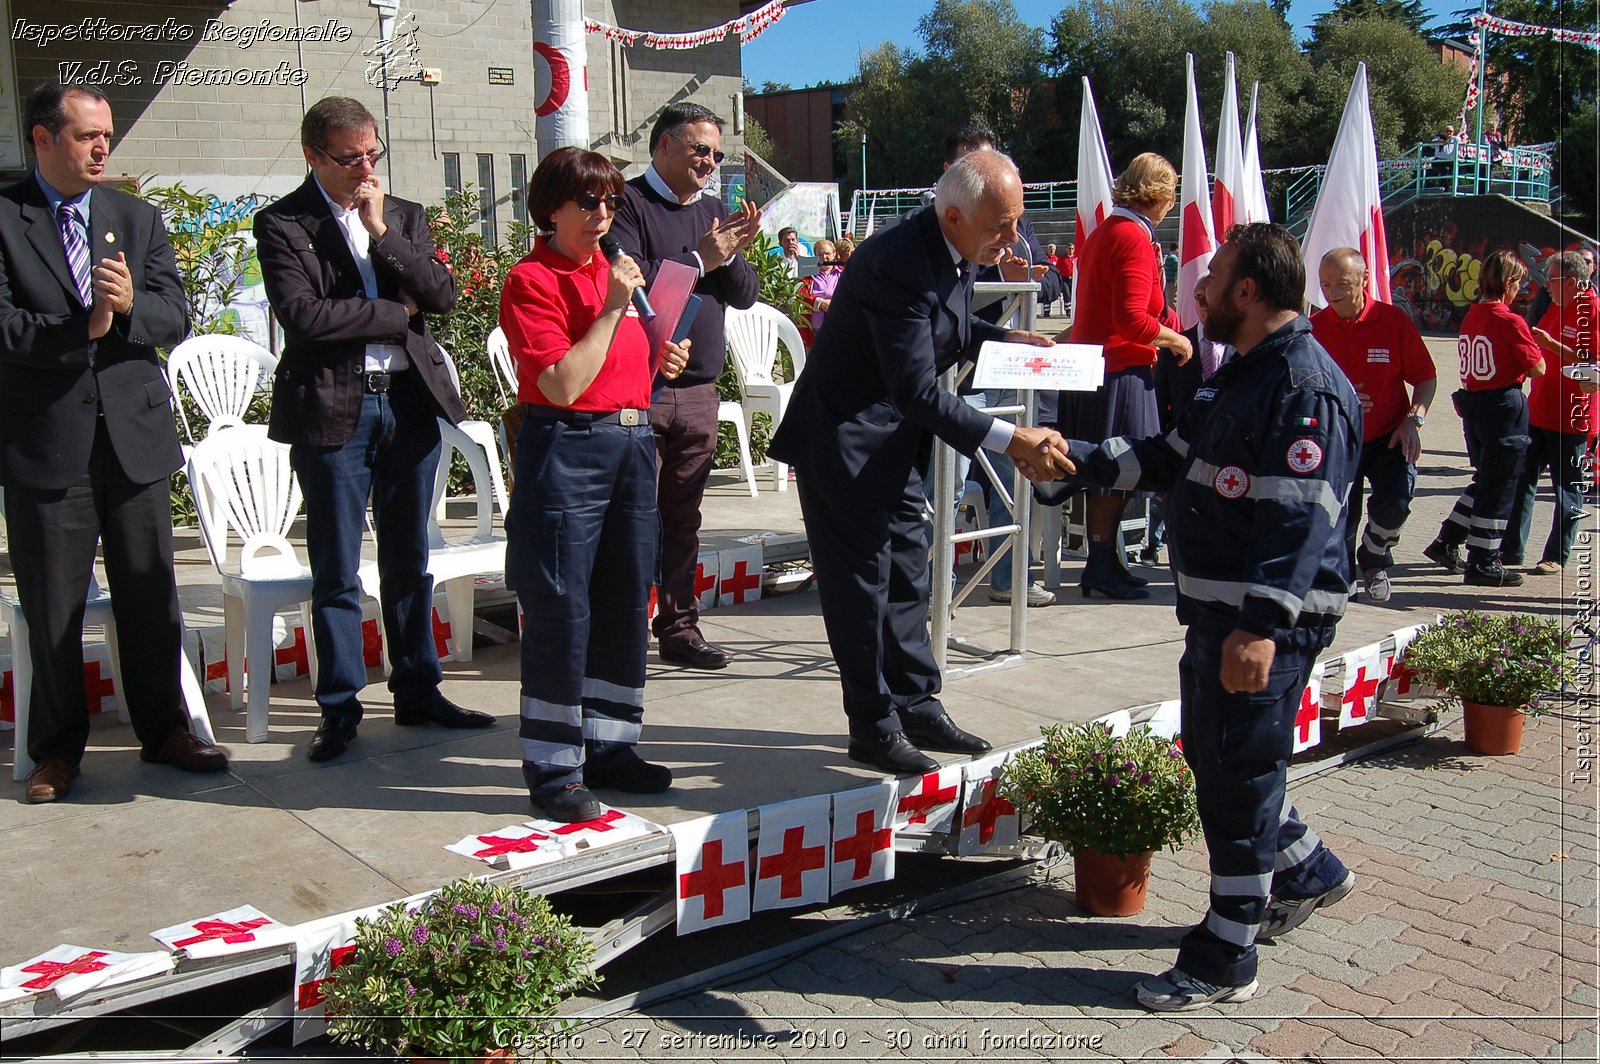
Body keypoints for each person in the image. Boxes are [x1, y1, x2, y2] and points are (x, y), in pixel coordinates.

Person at [1054, 223, 1360, 1012]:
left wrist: (1260, 627)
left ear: (1249, 292)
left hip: (1262, 627)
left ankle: (1228, 953)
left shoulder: (1304, 388)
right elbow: (1169, 455)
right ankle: (1306, 868)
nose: (1199, 289)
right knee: (1222, 755)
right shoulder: (1239, 376)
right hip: (1220, 618)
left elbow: (1299, 520)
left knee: (1238, 774)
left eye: (1214, 275)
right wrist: (1076, 461)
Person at [768, 150, 1072, 776]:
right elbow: (916, 387)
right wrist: (1011, 439)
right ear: (954, 214)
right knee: (862, 589)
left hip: (895, 444)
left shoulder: (956, 245)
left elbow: (949, 331)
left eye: (1015, 222)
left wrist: (1002, 337)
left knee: (910, 571)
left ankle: (915, 701)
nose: (1012, 239)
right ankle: (872, 725)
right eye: (1001, 225)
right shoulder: (896, 262)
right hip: (846, 446)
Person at [0, 81, 227, 802]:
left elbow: (174, 316)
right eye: (85, 135)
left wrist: (128, 311)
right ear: (43, 138)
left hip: (132, 441)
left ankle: (165, 730)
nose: (102, 147)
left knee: (149, 593)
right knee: (55, 604)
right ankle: (58, 751)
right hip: (47, 445)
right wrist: (83, 330)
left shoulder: (134, 216)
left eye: (106, 135)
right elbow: (4, 329)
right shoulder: (5, 220)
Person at [255, 96, 493, 763]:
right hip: (334, 406)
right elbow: (304, 319)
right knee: (335, 566)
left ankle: (418, 688)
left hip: (408, 405)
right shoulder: (284, 223)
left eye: (373, 153)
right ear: (313, 156)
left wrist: (382, 233)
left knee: (408, 558)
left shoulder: (403, 216)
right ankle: (338, 706)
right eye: (349, 156)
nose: (365, 168)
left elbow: (442, 298)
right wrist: (394, 313)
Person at [498, 148, 692, 822]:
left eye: (610, 202)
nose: (602, 215)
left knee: (621, 602)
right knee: (561, 609)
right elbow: (561, 382)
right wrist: (612, 312)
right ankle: (555, 769)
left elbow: (621, 371)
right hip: (570, 447)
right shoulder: (533, 279)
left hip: (632, 444)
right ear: (550, 207)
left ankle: (612, 746)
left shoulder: (618, 275)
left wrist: (659, 356)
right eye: (587, 202)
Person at [611, 102, 761, 670]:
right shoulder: (628, 203)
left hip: (699, 390)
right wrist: (703, 256)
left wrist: (733, 251)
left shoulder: (715, 210)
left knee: (683, 517)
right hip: (640, 386)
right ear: (664, 146)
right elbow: (633, 280)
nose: (710, 162)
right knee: (633, 514)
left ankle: (678, 627)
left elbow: (743, 294)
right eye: (701, 149)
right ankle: (623, 627)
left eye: (717, 154)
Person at [1053, 153, 1192, 599]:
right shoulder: (1132, 236)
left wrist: (1169, 317)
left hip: (1101, 368)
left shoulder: (1108, 231)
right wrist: (1176, 339)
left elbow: (1140, 305)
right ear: (1162, 194)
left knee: (1110, 470)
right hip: (1118, 369)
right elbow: (1132, 319)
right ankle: (1099, 563)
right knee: (1115, 468)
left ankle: (1104, 559)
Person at [944, 124, 1062, 609]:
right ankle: (937, 588)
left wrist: (1026, 280)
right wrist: (995, 271)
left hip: (1005, 372)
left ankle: (1007, 577)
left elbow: (1052, 284)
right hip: (957, 372)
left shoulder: (1017, 223)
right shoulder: (937, 227)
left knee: (1011, 477)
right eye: (973, 168)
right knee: (947, 481)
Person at [1310, 248, 1437, 603]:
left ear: (1365, 280)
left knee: (1395, 502)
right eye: (1325, 284)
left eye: (1342, 282)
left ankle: (1375, 555)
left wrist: (1414, 420)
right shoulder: (1313, 330)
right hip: (1336, 439)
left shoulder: (1393, 321)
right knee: (1339, 516)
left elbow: (1426, 377)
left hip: (1389, 436)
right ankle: (1343, 574)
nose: (1332, 291)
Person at [1423, 250, 1546, 587]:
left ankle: (1447, 539)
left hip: (1475, 405)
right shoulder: (1509, 320)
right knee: (1501, 485)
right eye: (1518, 283)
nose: (1520, 290)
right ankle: (1483, 559)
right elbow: (1538, 368)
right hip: (1503, 406)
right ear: (1508, 283)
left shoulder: (1473, 313)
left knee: (1486, 478)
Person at [1504, 249, 1595, 574]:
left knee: (1567, 489)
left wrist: (1554, 346)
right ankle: (1511, 550)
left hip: (1572, 417)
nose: (1547, 287)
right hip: (1538, 411)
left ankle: (1557, 555)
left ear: (1571, 282)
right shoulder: (1554, 307)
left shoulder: (1593, 312)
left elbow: (1594, 368)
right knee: (1522, 480)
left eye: (1552, 281)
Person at [802, 238, 841, 340]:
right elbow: (801, 293)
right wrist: (819, 303)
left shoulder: (843, 272)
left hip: (839, 326)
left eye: (827, 254)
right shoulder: (808, 271)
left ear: (834, 254)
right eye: (820, 254)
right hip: (813, 330)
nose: (824, 257)